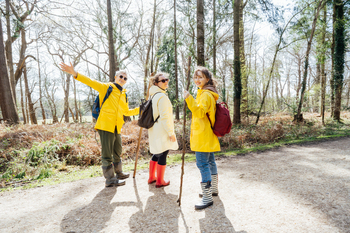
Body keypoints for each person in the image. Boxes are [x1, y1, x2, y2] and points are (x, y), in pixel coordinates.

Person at [60, 62, 139, 187]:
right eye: (121, 76)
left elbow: (126, 112)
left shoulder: (124, 94)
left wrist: (141, 109)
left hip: (117, 127)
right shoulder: (106, 87)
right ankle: (110, 179)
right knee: (107, 153)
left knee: (117, 150)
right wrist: (75, 73)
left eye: (125, 78)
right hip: (105, 125)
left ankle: (119, 173)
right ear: (115, 77)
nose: (123, 79)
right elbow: (90, 81)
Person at [183, 66, 220, 210]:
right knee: (210, 162)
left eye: (201, 77)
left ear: (207, 79)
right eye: (196, 77)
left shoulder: (205, 94)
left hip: (203, 135)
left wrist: (188, 99)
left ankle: (207, 197)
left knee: (202, 164)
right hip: (206, 134)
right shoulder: (205, 92)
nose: (197, 80)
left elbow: (199, 113)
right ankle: (213, 190)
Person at [147, 73, 178, 188]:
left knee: (157, 152)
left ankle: (151, 177)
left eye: (167, 80)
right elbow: (165, 117)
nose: (166, 82)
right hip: (162, 129)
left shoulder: (153, 96)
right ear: (156, 83)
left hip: (154, 128)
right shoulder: (162, 97)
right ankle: (160, 181)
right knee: (163, 153)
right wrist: (171, 133)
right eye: (163, 80)